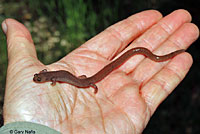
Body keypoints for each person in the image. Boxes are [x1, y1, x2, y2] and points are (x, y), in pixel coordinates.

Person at [0, 9, 199, 134]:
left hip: (85, 80)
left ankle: (156, 54)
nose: (39, 79)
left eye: (39, 78)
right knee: (90, 78)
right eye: (38, 78)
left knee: (92, 78)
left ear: (45, 78)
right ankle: (153, 54)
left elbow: (55, 78)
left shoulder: (53, 77)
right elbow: (53, 76)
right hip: (84, 80)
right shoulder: (50, 76)